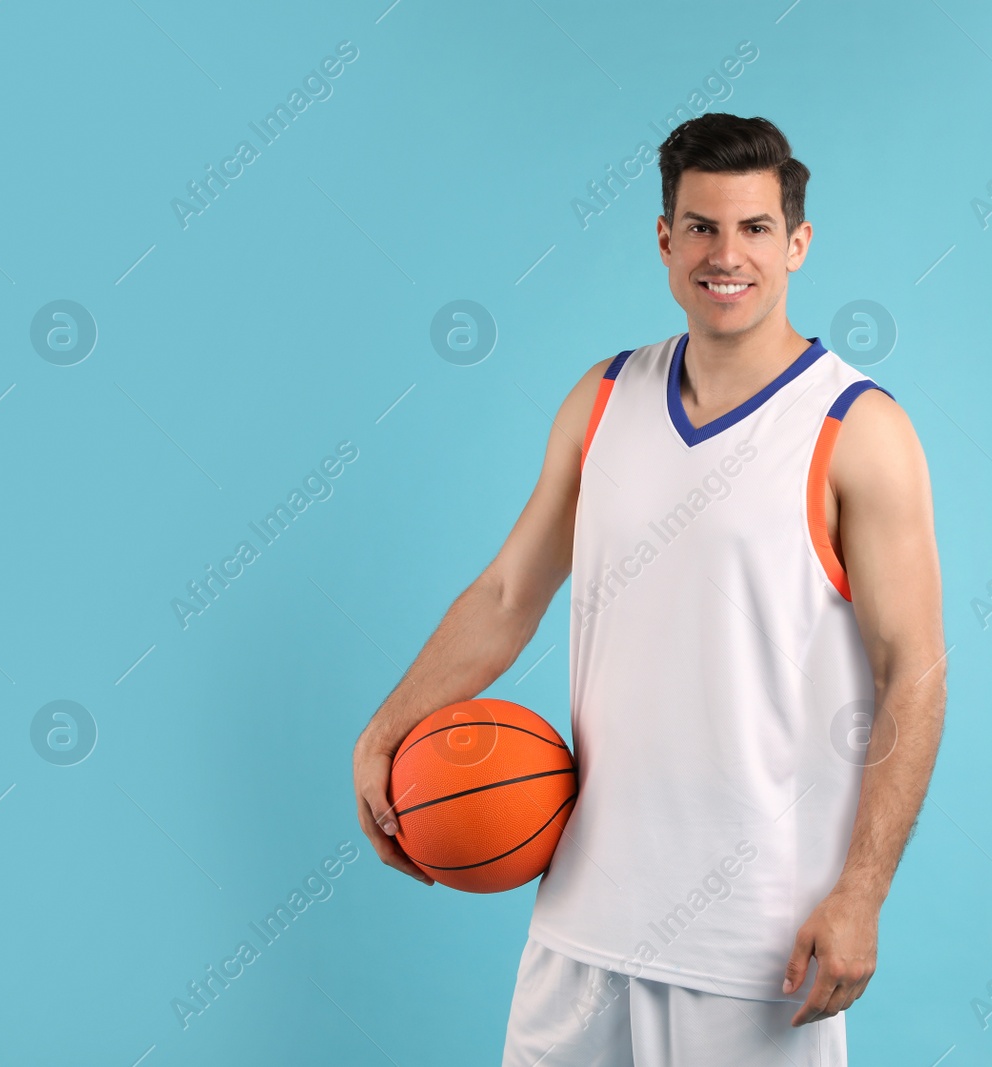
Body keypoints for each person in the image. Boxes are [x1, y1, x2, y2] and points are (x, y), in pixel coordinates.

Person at [352, 112, 946, 1066]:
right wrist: (385, 732)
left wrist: (863, 890)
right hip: (581, 921)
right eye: (702, 226)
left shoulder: (857, 427)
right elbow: (509, 592)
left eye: (754, 228)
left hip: (758, 944)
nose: (727, 254)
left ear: (797, 242)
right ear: (665, 241)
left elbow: (911, 668)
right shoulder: (602, 399)